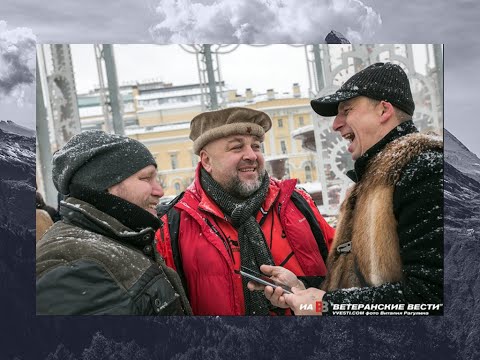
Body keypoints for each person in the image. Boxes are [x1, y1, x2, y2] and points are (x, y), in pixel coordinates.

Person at [250, 62, 443, 315]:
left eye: (347, 111)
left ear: (384, 110)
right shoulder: (370, 182)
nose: (335, 124)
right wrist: (301, 288)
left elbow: (432, 297)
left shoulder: (425, 170)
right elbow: (363, 284)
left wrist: (325, 305)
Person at [155, 107, 335, 315]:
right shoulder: (174, 223)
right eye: (237, 148)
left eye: (256, 146)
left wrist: (305, 288)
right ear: (206, 161)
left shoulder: (295, 202)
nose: (251, 155)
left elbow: (344, 273)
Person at [36, 130, 192, 315]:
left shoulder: (117, 240)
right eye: (146, 178)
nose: (159, 190)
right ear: (105, 184)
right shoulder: (75, 263)